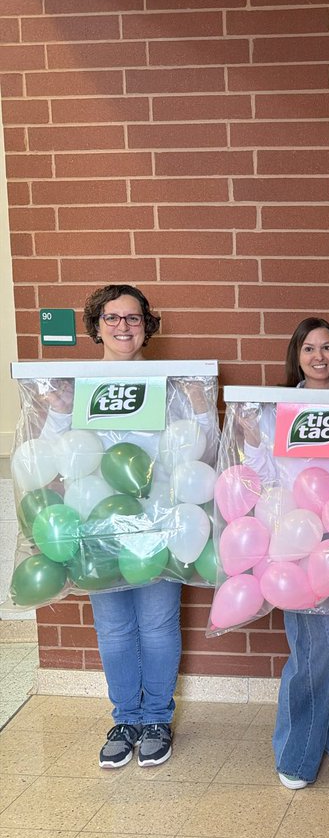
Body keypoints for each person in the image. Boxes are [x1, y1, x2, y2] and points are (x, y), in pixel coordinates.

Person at [39, 285, 214, 769]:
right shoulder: (79, 387)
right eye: (112, 318)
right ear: (96, 328)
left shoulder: (169, 385)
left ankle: (156, 717)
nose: (122, 327)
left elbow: (200, 447)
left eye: (132, 318)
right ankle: (124, 718)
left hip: (157, 524)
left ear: (147, 326)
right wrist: (58, 406)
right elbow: (53, 451)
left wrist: (199, 403)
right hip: (96, 524)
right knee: (114, 629)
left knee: (157, 626)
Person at [238, 317, 329, 791]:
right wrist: (249, 434)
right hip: (299, 546)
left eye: (327, 348)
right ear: (296, 356)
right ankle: (298, 755)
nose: (319, 357)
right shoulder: (277, 410)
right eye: (309, 349)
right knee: (317, 653)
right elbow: (259, 473)